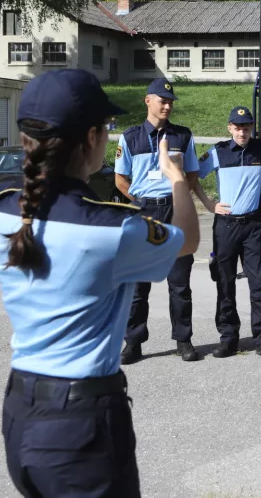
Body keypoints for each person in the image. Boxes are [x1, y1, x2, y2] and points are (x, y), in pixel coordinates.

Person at [0, 69, 199, 497]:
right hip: (80, 423)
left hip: (21, 408)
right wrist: (176, 176)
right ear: (90, 138)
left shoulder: (4, 214)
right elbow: (188, 239)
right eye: (105, 126)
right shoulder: (110, 229)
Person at [114, 78, 202, 363]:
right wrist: (140, 202)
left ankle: (183, 340)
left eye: (171, 102)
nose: (167, 106)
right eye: (162, 101)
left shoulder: (183, 136)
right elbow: (120, 179)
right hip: (143, 213)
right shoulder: (130, 137)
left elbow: (192, 174)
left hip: (174, 212)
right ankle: (133, 343)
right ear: (148, 101)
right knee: (138, 287)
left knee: (180, 284)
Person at [192, 106, 261, 359]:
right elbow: (193, 176)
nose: (242, 132)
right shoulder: (218, 152)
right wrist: (208, 204)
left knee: (258, 285)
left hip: (252, 226)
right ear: (229, 128)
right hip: (226, 226)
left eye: (246, 127)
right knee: (225, 284)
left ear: (251, 128)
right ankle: (228, 339)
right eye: (237, 127)